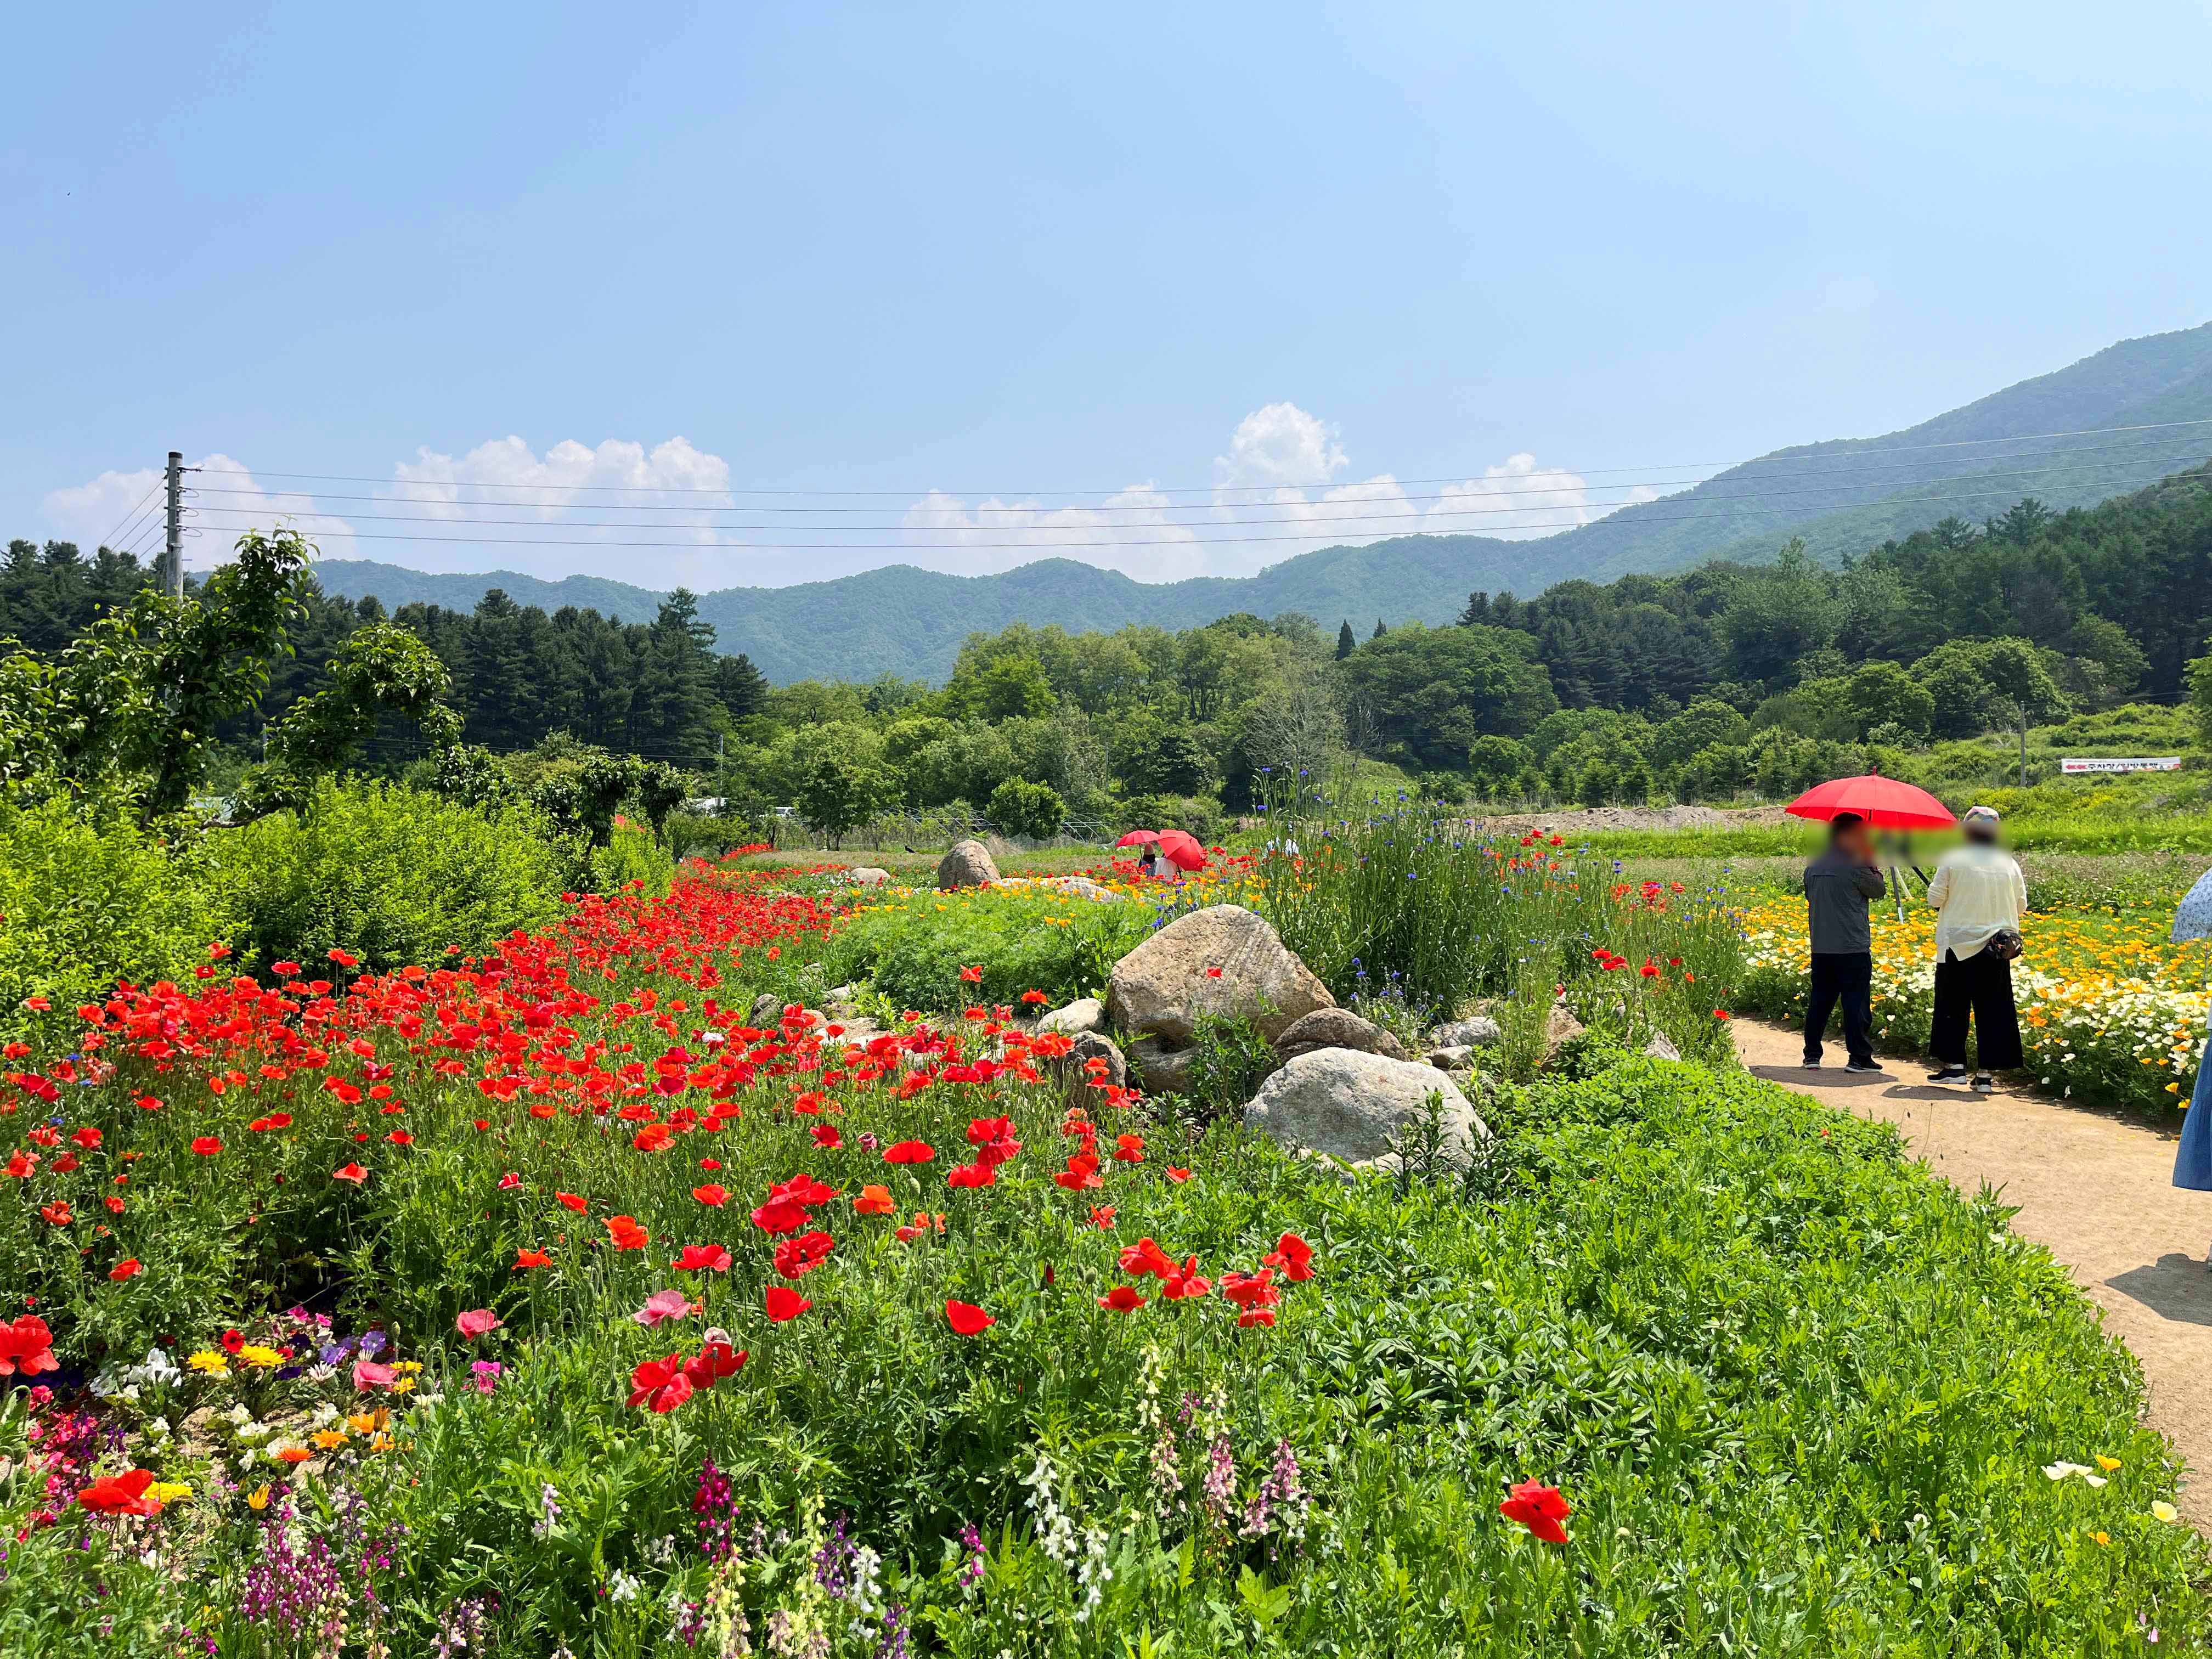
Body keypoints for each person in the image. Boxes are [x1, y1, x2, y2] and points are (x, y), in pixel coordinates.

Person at [1924, 804, 2027, 1093]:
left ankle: (1954, 1067)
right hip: (1998, 947)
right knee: (1994, 1009)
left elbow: (1935, 899)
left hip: (1958, 946)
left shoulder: (1953, 859)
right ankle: (1985, 1076)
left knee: (1952, 1006)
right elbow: (2021, 905)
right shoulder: (2009, 863)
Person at [1802, 812, 1886, 1072]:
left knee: (1820, 1000)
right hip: (1852, 946)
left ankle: (1812, 1055)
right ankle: (1859, 1057)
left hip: (1822, 945)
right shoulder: (1858, 865)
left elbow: (1809, 895)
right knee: (1855, 1002)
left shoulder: (1814, 866)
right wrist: (1873, 865)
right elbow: (1879, 891)